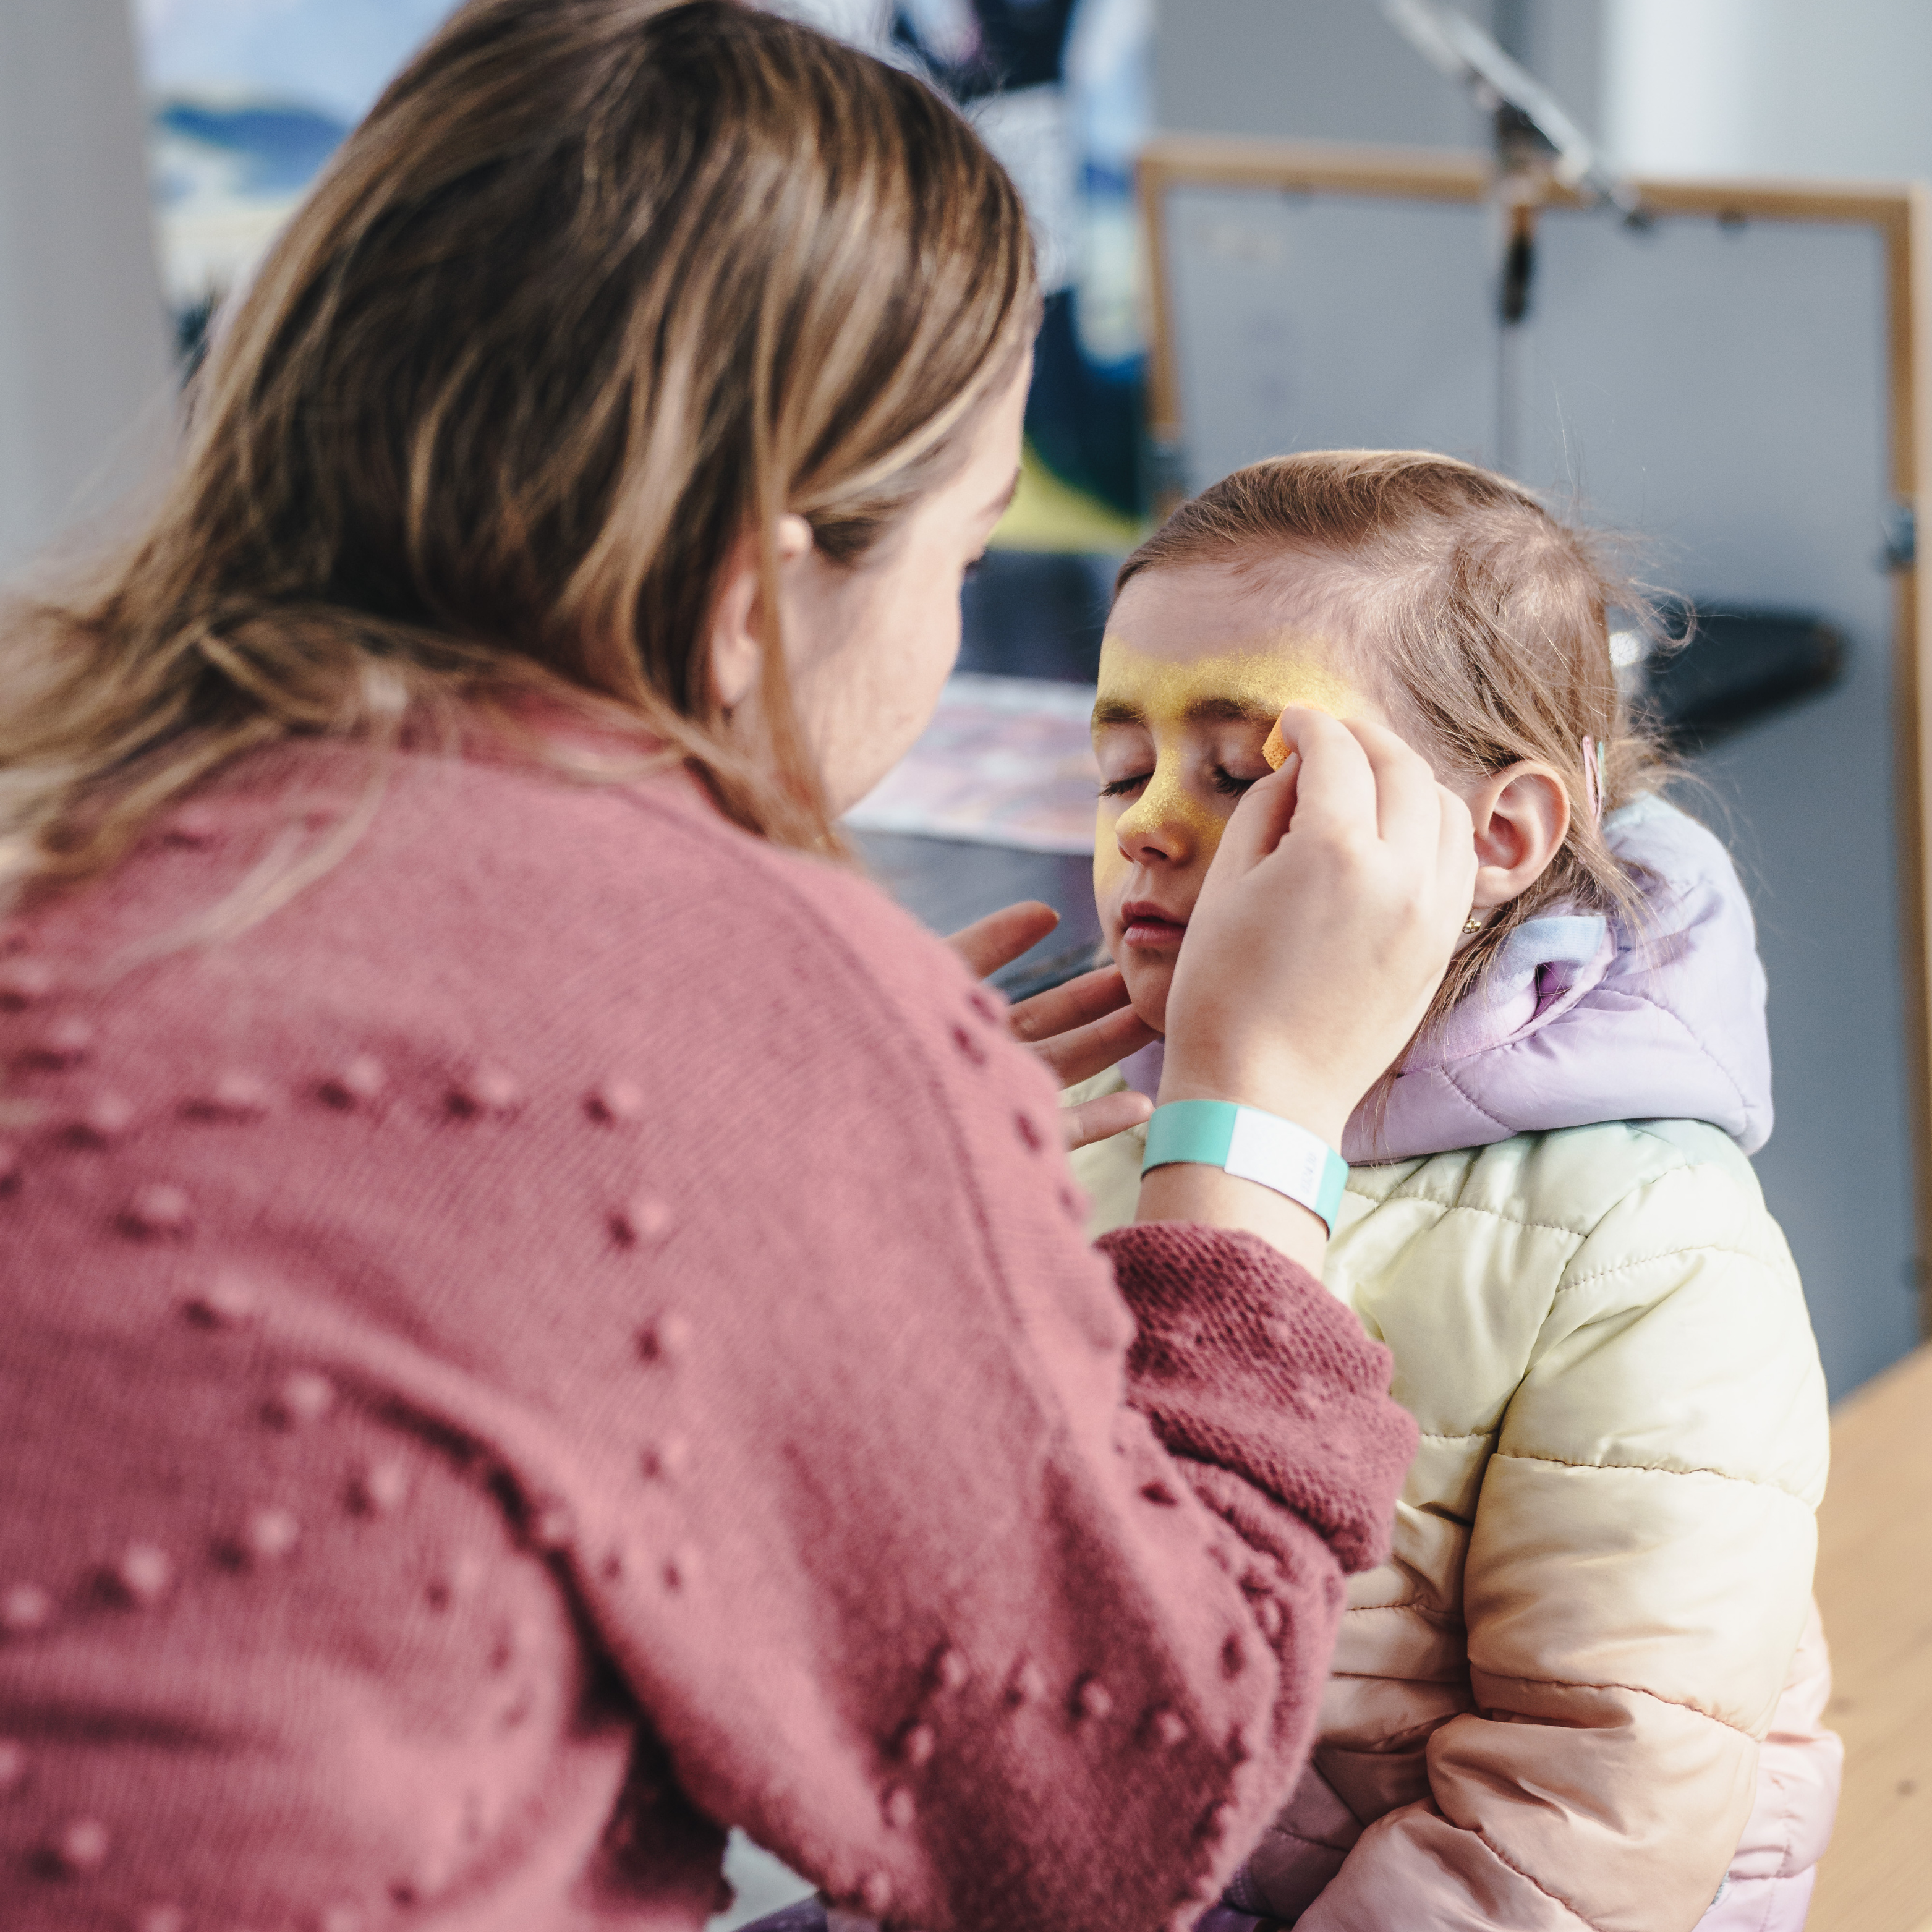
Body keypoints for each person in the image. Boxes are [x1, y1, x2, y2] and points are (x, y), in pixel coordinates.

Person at [0, 8, 1481, 1930]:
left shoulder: (89, 848)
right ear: (762, 579)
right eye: (962, 551)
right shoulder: (735, 986)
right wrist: (1255, 1117)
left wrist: (822, 1137)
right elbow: (1115, 1803)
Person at [1066, 451, 1839, 1931]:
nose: (1149, 824)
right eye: (1119, 766)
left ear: (1498, 835)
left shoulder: (1641, 1243)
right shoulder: (1103, 1117)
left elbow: (1591, 1805)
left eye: (1242, 773)